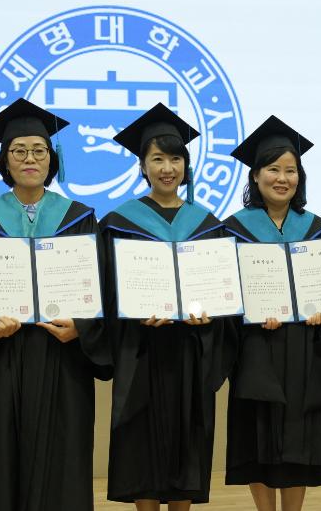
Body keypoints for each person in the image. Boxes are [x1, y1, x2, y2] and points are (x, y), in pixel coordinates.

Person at [0, 98, 110, 511]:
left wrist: (82, 327)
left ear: (52, 159)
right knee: (7, 454)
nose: (30, 159)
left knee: (66, 457)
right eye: (19, 151)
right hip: (6, 355)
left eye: (39, 151)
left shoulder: (80, 218)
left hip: (63, 356)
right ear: (5, 161)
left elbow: (102, 289)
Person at [100, 103, 236, 510]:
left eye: (175, 159)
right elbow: (105, 292)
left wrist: (210, 317)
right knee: (142, 445)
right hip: (141, 351)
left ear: (185, 166)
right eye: (157, 159)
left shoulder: (208, 224)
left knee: (186, 442)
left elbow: (223, 292)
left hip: (190, 352)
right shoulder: (118, 222)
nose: (167, 168)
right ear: (142, 166)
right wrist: (133, 315)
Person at [221, 116, 321, 511]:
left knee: (300, 440)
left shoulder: (319, 230)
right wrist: (249, 313)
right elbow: (223, 292)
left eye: (291, 170)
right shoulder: (231, 230)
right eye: (273, 169)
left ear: (300, 177)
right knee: (256, 438)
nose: (282, 178)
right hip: (255, 349)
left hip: (304, 349)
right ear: (256, 175)